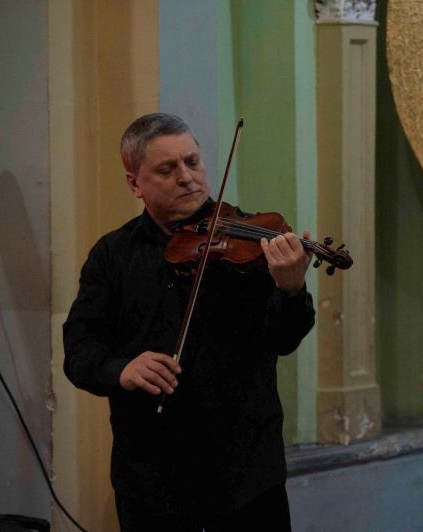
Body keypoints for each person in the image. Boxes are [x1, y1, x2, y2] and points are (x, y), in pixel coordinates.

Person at [63, 113, 315, 531]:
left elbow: (284, 339)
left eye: (192, 162)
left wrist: (291, 290)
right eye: (167, 169)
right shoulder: (112, 255)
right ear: (135, 184)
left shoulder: (251, 239)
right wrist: (122, 369)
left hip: (245, 476)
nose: (187, 177)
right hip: (152, 477)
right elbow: (80, 350)